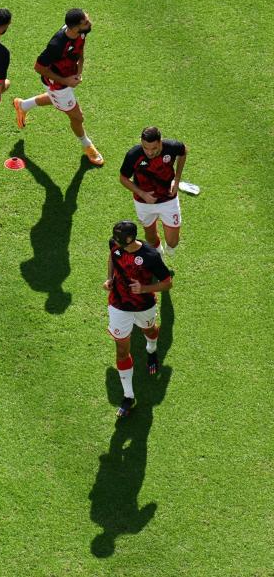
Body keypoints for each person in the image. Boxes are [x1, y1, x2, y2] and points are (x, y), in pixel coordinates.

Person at [12, 8, 104, 166]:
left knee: (58, 102)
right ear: (75, 28)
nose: (90, 23)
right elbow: (38, 67)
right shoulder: (57, 44)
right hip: (58, 85)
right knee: (77, 117)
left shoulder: (82, 31)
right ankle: (87, 145)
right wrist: (66, 80)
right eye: (86, 22)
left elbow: (80, 50)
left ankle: (23, 105)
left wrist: (79, 70)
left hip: (68, 77)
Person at [103, 220, 173, 418]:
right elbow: (112, 258)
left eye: (118, 238)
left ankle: (151, 349)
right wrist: (110, 279)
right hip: (118, 305)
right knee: (121, 348)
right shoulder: (115, 245)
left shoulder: (150, 256)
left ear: (129, 238)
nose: (114, 241)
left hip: (143, 306)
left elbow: (167, 283)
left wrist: (144, 289)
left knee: (149, 331)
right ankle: (128, 396)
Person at [118, 127, 188, 257]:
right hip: (143, 202)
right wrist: (143, 194)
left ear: (161, 142)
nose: (149, 152)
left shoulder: (172, 147)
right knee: (150, 237)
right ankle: (158, 252)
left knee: (173, 242)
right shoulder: (133, 155)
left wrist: (177, 180)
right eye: (146, 148)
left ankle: (169, 246)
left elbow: (183, 152)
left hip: (168, 198)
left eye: (154, 148)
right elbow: (123, 178)